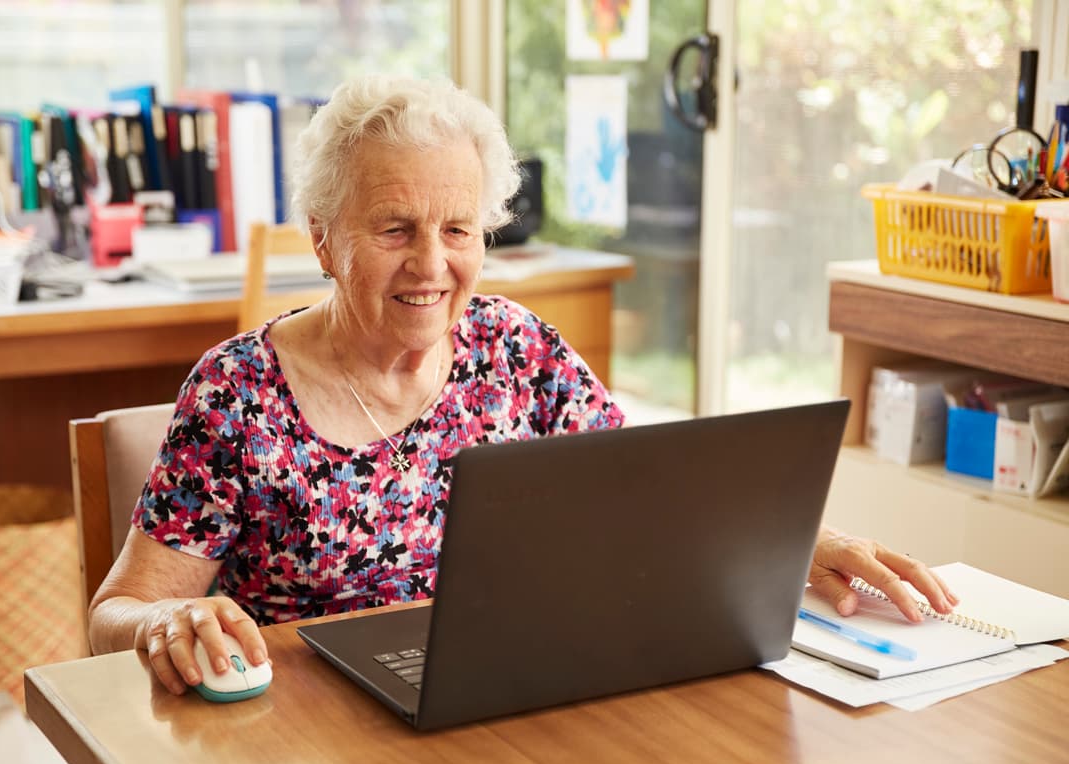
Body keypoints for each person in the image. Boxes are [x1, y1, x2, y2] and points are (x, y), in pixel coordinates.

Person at [88, 75, 958, 695]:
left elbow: (652, 492)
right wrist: (165, 626)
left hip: (510, 695)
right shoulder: (239, 393)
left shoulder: (515, 349)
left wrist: (792, 539)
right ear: (322, 239)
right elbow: (117, 610)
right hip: (311, 738)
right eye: (395, 228)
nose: (432, 264)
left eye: (459, 228)